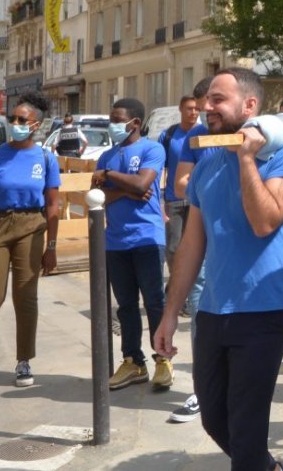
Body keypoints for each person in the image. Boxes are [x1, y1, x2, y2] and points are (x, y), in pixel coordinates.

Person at [154, 67, 283, 471]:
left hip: (263, 311)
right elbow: (191, 245)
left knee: (246, 428)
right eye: (207, 100)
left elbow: (265, 220)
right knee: (213, 419)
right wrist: (170, 315)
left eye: (218, 99)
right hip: (213, 310)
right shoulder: (206, 166)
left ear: (250, 105)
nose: (207, 106)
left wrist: (246, 157)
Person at [0, 92, 60, 389]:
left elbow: (53, 205)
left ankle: (23, 360)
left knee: (26, 296)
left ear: (36, 125)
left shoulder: (45, 158)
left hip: (32, 225)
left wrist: (51, 247)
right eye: (12, 118)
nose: (15, 123)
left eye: (21, 119)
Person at [94, 98, 170, 392]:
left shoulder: (152, 149)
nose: (112, 125)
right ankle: (133, 361)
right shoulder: (106, 156)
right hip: (115, 241)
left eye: (117, 120)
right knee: (126, 305)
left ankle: (163, 359)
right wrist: (125, 191)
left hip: (147, 238)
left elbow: (143, 185)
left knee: (154, 303)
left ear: (134, 123)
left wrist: (112, 179)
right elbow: (98, 196)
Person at [167, 76, 215, 424]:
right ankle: (202, 390)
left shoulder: (255, 136)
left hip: (236, 244)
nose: (204, 113)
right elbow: (181, 182)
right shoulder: (196, 140)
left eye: (211, 104)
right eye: (201, 107)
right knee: (198, 304)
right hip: (201, 226)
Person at [159, 96, 203, 278]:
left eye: (196, 109)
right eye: (189, 108)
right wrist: (160, 202)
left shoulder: (205, 135)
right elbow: (160, 170)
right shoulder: (168, 135)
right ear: (180, 109)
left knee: (197, 246)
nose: (193, 112)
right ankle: (176, 283)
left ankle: (192, 289)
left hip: (197, 200)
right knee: (173, 247)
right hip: (174, 199)